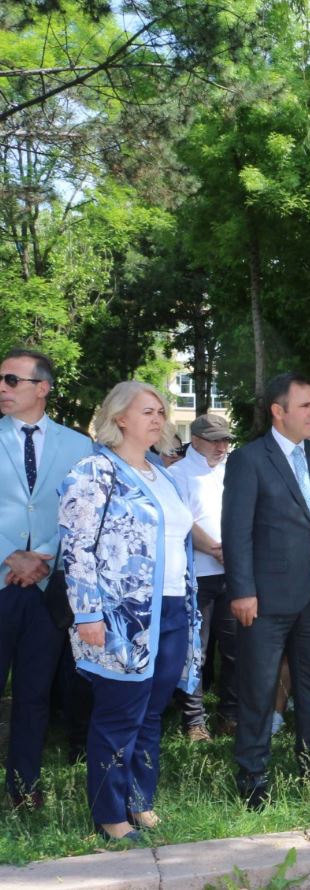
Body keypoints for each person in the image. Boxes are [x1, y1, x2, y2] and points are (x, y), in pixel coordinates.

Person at [59, 381, 203, 842]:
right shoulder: (94, 470)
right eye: (148, 411)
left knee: (152, 711)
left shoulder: (162, 472)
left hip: (174, 606)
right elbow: (76, 548)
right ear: (120, 417)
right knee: (119, 713)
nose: (158, 418)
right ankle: (109, 814)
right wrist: (87, 615)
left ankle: (140, 802)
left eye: (161, 411)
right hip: (123, 614)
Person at [223, 372, 310, 809]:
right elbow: (236, 530)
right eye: (306, 406)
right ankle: (253, 774)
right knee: (260, 688)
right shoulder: (249, 460)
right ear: (278, 412)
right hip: (263, 598)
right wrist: (242, 590)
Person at [0, 349, 93, 809]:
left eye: (12, 380)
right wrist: (9, 556)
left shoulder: (78, 446)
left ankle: (23, 788)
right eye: (1, 379)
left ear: (42, 387)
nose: (2, 387)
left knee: (35, 694)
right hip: (1, 581)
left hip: (46, 588)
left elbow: (83, 513)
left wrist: (43, 557)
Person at [168, 413, 236, 741]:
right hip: (197, 574)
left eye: (225, 440)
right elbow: (181, 520)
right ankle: (194, 720)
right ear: (195, 440)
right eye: (215, 440)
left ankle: (230, 714)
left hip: (233, 573)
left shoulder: (232, 471)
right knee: (196, 648)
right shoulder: (177, 473)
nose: (222, 446)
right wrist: (213, 548)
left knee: (235, 647)